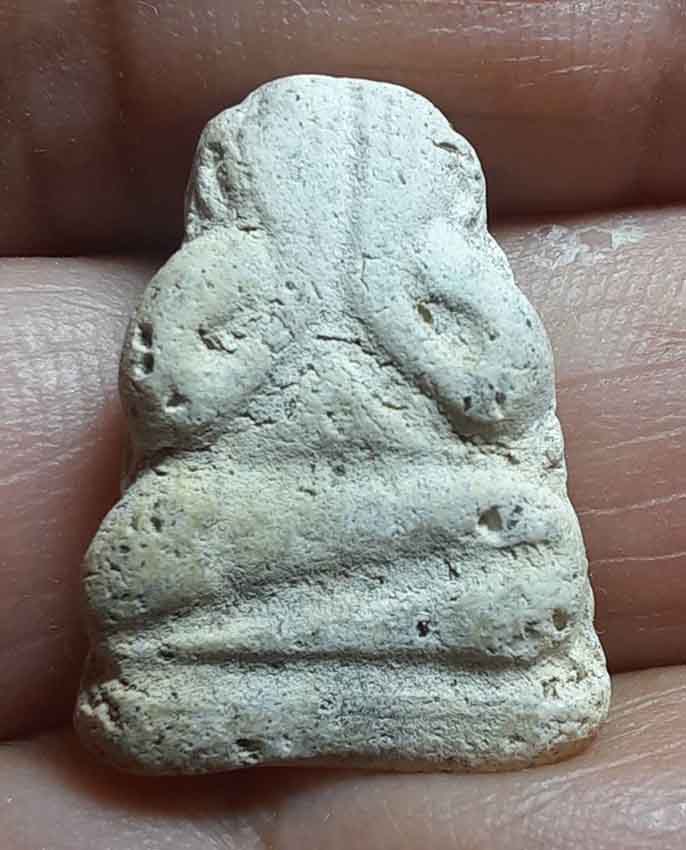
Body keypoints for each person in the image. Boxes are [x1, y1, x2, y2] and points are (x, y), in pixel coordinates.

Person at [1, 2, 685, 847]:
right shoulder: (225, 267)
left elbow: (501, 405)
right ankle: (367, 680)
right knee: (152, 544)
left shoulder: (449, 270)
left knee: (525, 541)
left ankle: (253, 674)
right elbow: (175, 408)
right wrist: (281, 310)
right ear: (244, 178)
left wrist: (394, 308)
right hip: (247, 513)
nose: (344, 185)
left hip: (437, 511)